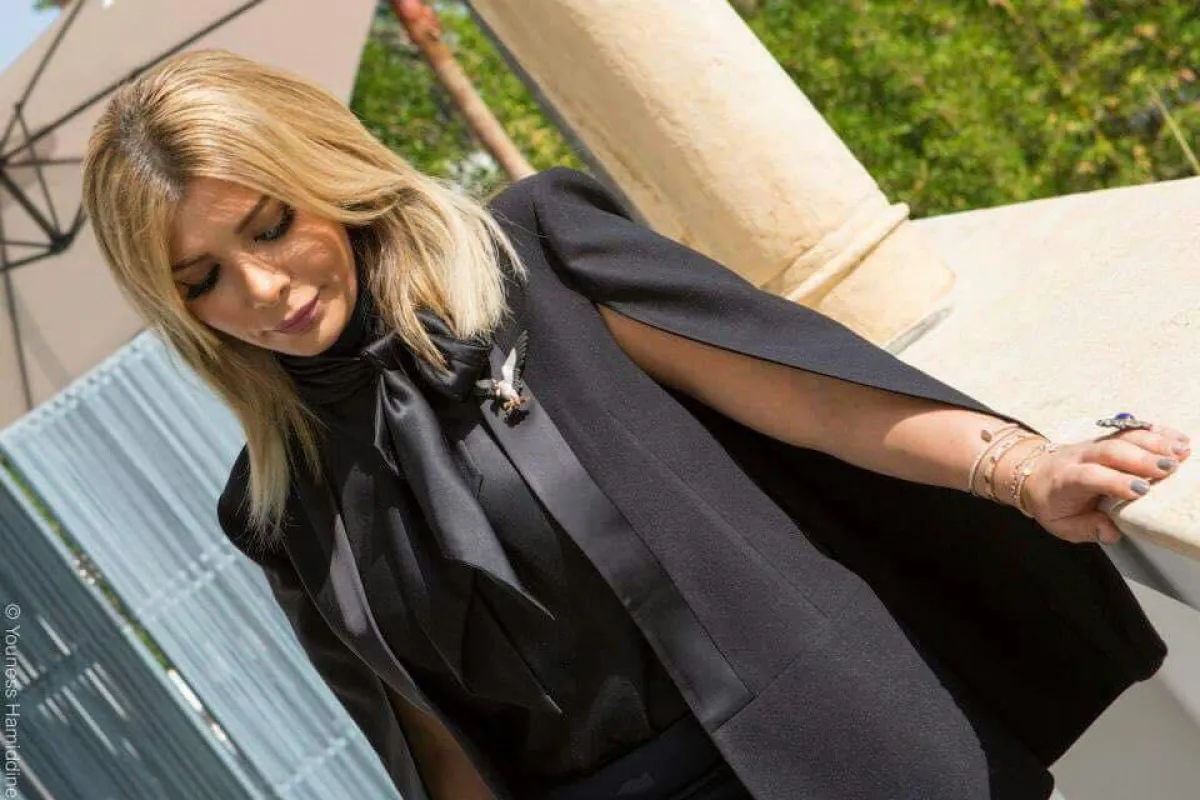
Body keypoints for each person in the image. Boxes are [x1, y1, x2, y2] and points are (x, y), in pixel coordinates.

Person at [81, 50, 1187, 800]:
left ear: (328, 175)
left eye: (271, 225)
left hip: (840, 757)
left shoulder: (537, 252)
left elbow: (806, 392)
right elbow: (441, 750)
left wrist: (1022, 464)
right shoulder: (273, 507)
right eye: (202, 279)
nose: (262, 289)